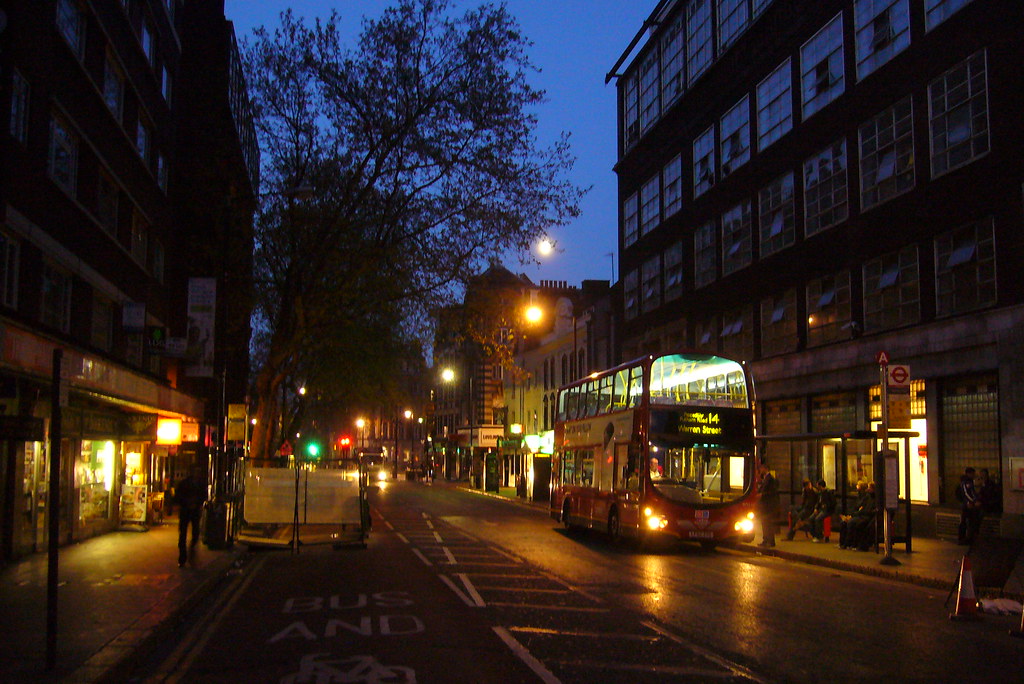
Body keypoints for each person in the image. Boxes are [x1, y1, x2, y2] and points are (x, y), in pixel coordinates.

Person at [173, 466, 207, 567]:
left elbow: (203, 496)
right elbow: (178, 497)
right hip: (186, 511)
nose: (197, 474)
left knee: (195, 534)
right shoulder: (185, 484)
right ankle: (183, 558)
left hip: (194, 511)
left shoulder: (200, 484)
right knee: (183, 535)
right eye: (196, 472)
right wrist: (187, 503)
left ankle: (190, 553)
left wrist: (197, 503)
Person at [838, 480, 875, 550]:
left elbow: (864, 510)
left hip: (865, 517)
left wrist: (853, 515)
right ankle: (844, 543)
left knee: (851, 523)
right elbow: (859, 508)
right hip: (861, 515)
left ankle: (849, 543)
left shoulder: (869, 498)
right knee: (844, 523)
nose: (868, 489)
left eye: (869, 488)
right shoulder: (867, 497)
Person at [756, 462, 780, 548]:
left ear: (765, 468)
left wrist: (762, 494)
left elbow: (772, 492)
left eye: (761, 468)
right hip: (765, 505)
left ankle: (769, 540)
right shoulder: (766, 478)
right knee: (765, 523)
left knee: (767, 523)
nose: (760, 470)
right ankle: (766, 540)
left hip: (768, 506)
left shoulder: (770, 479)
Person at [956, 466, 981, 545]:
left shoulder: (970, 482)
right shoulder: (966, 482)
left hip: (969, 504)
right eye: (973, 473)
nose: (974, 475)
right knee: (965, 521)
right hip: (967, 505)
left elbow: (972, 492)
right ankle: (963, 538)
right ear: (969, 474)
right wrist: (973, 501)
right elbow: (966, 493)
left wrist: (976, 499)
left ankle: (968, 538)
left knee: (970, 521)